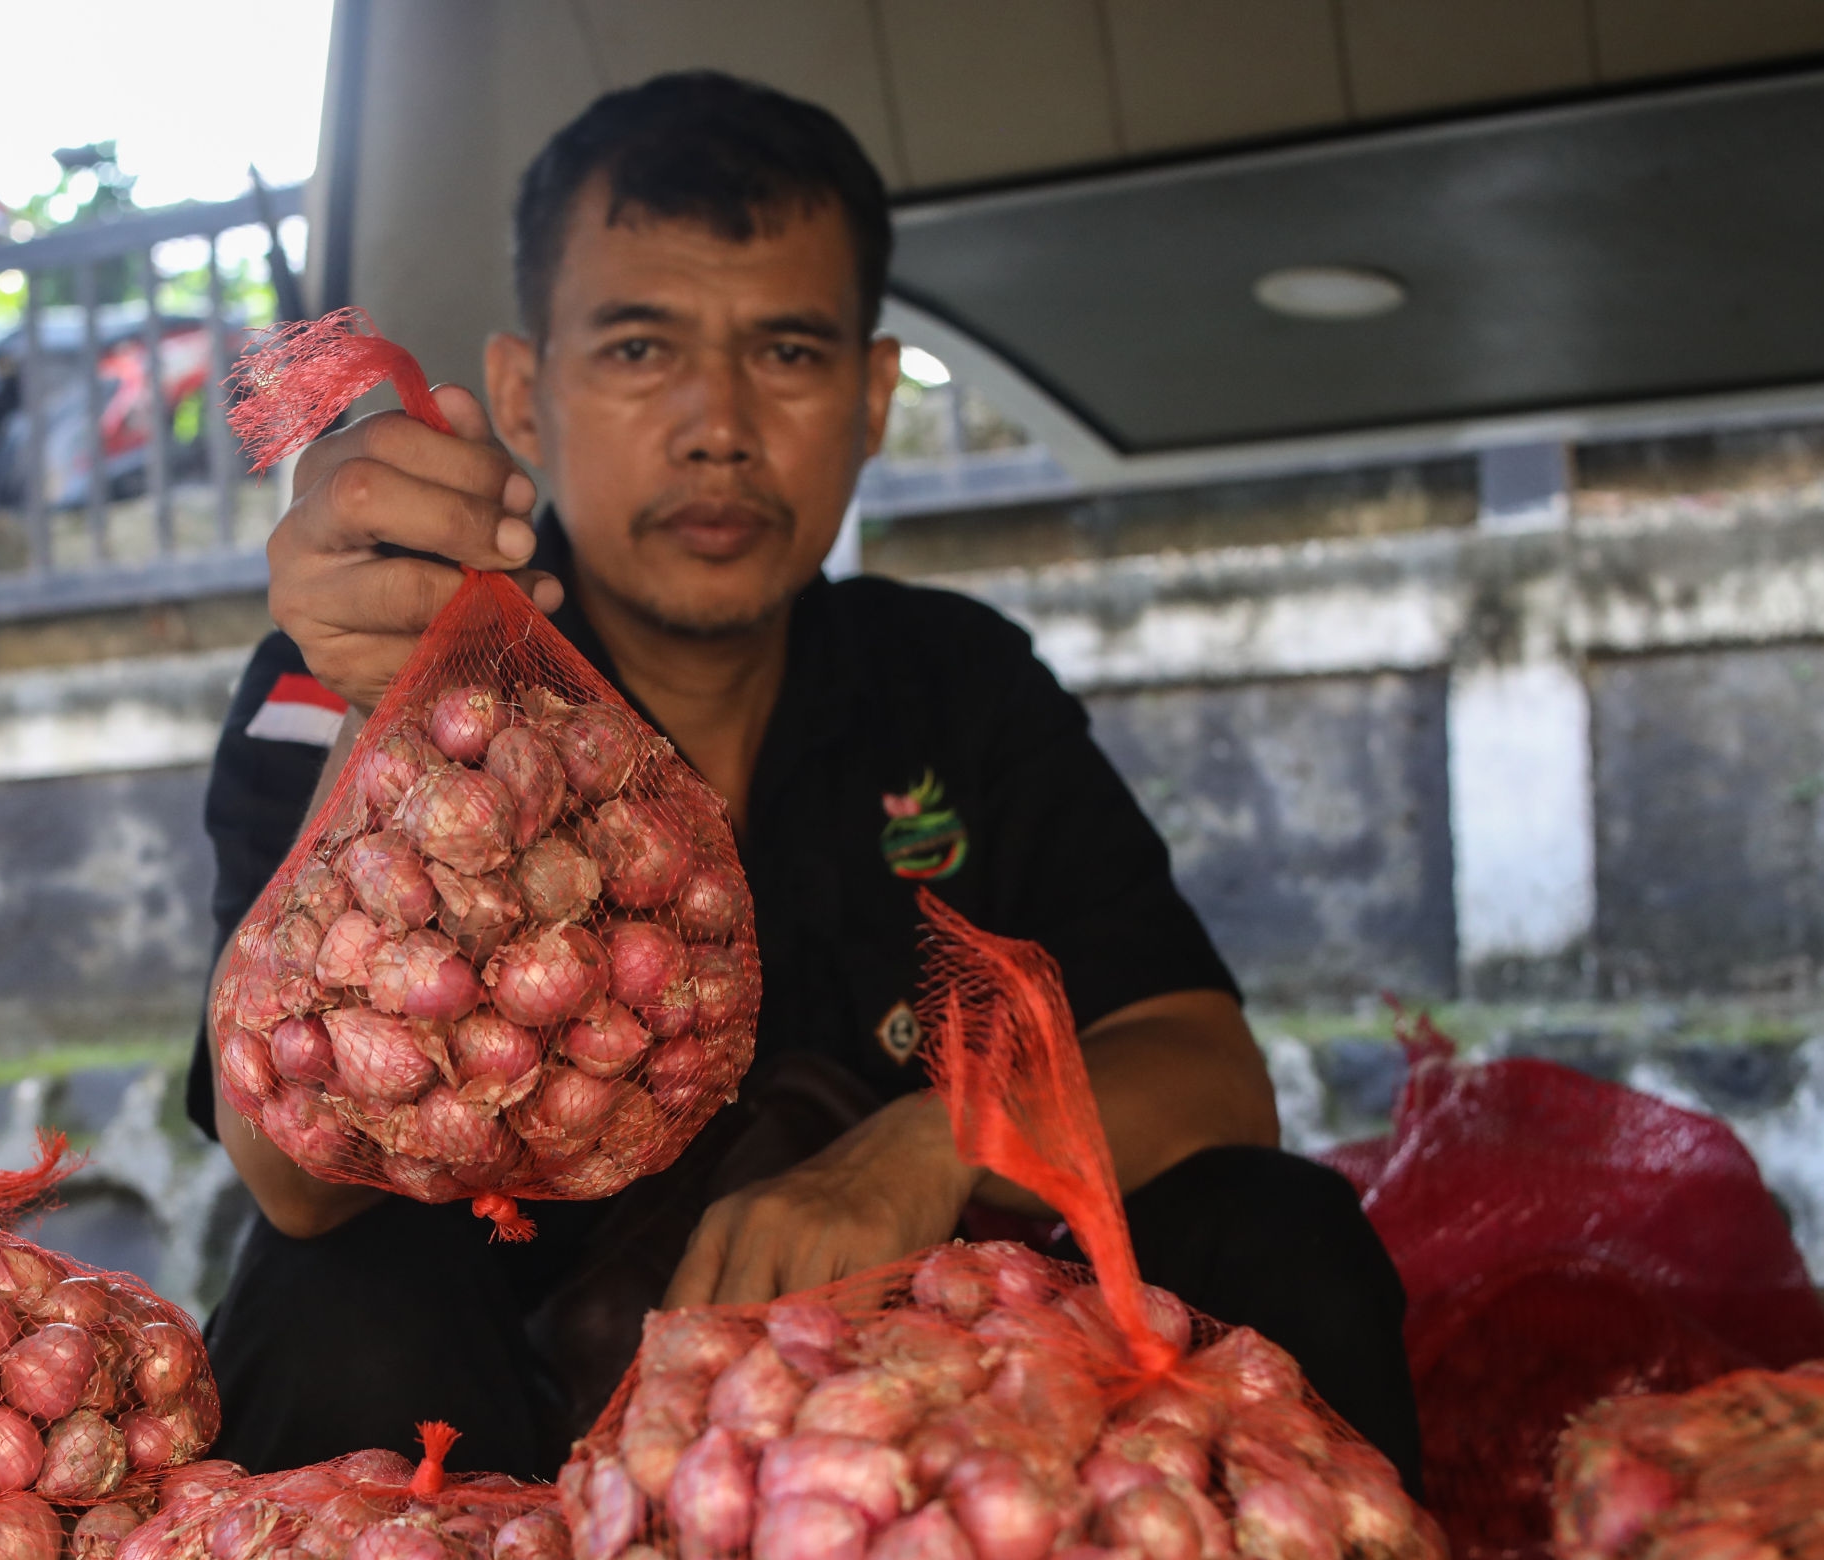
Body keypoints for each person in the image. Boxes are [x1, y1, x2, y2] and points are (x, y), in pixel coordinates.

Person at [184, 71, 1418, 1487]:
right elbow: (290, 1178)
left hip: (911, 1439)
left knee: (1277, 1226)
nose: (719, 425)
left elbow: (1208, 1068)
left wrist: (923, 1150)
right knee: (332, 1302)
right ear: (524, 389)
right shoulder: (367, 674)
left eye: (787, 353)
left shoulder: (949, 680)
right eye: (641, 351)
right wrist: (384, 710)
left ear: (873, 396)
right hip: (513, 1433)